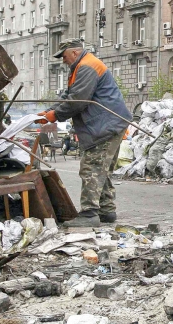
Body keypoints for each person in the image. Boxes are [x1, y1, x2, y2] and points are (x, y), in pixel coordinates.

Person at [36, 38, 132, 226]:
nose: (62, 60)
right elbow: (69, 96)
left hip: (104, 125)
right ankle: (106, 210)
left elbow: (78, 100)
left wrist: (53, 116)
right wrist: (49, 112)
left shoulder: (87, 67)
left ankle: (89, 214)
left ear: (73, 52)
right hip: (109, 123)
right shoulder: (81, 66)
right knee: (101, 169)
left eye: (63, 56)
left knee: (91, 168)